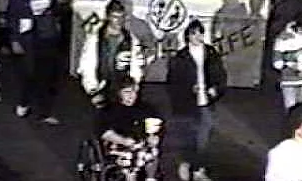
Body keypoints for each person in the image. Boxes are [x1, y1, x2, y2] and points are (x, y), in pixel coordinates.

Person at [166, 19, 227, 181]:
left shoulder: (211, 53)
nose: (198, 37)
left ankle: (198, 169)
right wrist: (188, 90)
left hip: (207, 102)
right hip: (187, 105)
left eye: (200, 33)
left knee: (204, 138)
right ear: (187, 36)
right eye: (194, 34)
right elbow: (173, 83)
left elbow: (220, 75)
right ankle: (186, 165)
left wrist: (215, 89)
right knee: (188, 137)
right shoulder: (181, 57)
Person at [6, 0, 61, 124]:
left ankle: (44, 111)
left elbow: (57, 11)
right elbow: (12, 18)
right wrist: (15, 40)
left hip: (47, 38)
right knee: (28, 73)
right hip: (28, 39)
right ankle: (24, 102)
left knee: (47, 76)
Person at [77, 0, 146, 109]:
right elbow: (86, 65)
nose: (119, 21)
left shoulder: (131, 40)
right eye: (115, 17)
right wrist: (92, 90)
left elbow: (137, 65)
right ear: (108, 17)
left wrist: (134, 88)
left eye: (122, 17)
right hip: (101, 89)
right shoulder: (95, 39)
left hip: (123, 90)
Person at [96, 74, 162, 181]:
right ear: (119, 93)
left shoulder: (145, 108)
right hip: (118, 146)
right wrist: (124, 141)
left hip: (140, 144)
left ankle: (150, 178)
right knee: (129, 160)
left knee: (151, 153)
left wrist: (155, 137)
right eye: (127, 92)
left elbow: (157, 126)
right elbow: (103, 132)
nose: (132, 96)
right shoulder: (109, 111)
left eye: (134, 92)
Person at [273, 12, 302, 115]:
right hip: (288, 78)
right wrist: (288, 65)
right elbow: (277, 60)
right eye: (301, 29)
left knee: (301, 107)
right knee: (290, 106)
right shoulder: (284, 38)